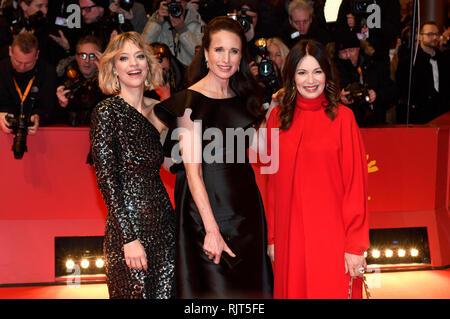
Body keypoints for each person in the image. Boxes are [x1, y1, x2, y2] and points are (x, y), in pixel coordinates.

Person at [154, 16, 273, 298]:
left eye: (234, 51)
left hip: (246, 213)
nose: (226, 58)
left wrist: (271, 108)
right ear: (205, 53)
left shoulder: (244, 98)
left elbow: (265, 151)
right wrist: (211, 230)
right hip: (206, 216)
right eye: (219, 50)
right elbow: (193, 173)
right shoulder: (188, 103)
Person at [265, 39, 369, 298]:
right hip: (290, 238)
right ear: (291, 77)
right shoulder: (277, 120)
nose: (310, 80)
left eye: (317, 71)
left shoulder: (343, 118)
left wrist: (355, 246)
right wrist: (273, 238)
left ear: (327, 73)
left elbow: (356, 185)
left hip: (332, 237)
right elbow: (271, 186)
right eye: (302, 72)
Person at [90, 31, 175, 299]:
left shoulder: (161, 112)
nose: (133, 64)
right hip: (127, 230)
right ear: (114, 68)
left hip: (164, 226)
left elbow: (175, 165)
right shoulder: (106, 112)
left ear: (149, 64)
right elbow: (107, 180)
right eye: (124, 58)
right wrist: (129, 238)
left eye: (139, 57)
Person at [334, 29, 396, 126]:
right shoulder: (332, 71)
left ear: (358, 49)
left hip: (374, 123)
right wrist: (338, 97)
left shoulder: (373, 65)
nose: (348, 55)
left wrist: (376, 95)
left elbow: (392, 91)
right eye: (343, 52)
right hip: (344, 124)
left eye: (351, 50)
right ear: (338, 54)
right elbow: (324, 97)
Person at [0, 32, 56, 134]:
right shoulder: (1, 70)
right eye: (18, 61)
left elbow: (50, 108)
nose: (22, 67)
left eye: (28, 63)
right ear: (10, 51)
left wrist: (38, 117)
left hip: (39, 133)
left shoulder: (48, 72)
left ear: (37, 55)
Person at [396, 21, 449, 124]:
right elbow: (402, 89)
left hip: (442, 116)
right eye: (429, 34)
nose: (434, 37)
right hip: (418, 117)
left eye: (437, 34)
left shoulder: (444, 60)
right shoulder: (409, 61)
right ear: (420, 37)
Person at [56, 35, 105, 126]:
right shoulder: (65, 80)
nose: (87, 60)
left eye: (92, 56)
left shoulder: (109, 82)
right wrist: (62, 106)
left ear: (99, 58)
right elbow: (56, 119)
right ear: (76, 57)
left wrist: (105, 75)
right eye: (83, 55)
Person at [142, 0, 205, 67]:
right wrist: (157, 22)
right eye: (171, 3)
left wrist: (182, 30)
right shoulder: (158, 20)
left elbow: (201, 57)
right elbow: (142, 48)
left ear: (186, 3)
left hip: (189, 72)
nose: (175, 7)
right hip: (164, 72)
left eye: (178, 3)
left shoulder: (197, 23)